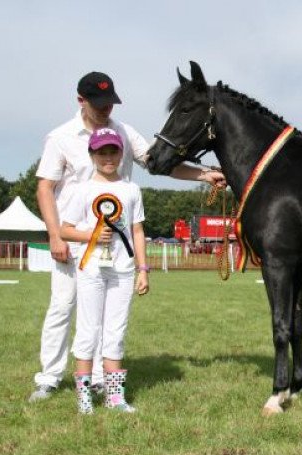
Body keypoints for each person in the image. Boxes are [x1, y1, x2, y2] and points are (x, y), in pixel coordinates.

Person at [30, 71, 225, 402]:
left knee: (105, 315)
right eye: (99, 104)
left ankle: (98, 380)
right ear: (81, 101)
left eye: (110, 103)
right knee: (63, 306)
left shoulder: (123, 132)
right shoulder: (60, 137)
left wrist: (203, 174)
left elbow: (157, 163)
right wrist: (55, 235)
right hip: (75, 237)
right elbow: (45, 188)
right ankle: (48, 378)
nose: (107, 110)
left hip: (114, 246)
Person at [61, 127, 147, 413]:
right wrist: (91, 236)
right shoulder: (81, 190)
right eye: (102, 152)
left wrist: (143, 269)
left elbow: (136, 230)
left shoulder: (131, 190)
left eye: (113, 151)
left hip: (122, 271)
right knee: (88, 331)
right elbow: (65, 230)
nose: (108, 157)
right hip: (92, 270)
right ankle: (84, 398)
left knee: (116, 331)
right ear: (92, 154)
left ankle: (114, 397)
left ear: (121, 154)